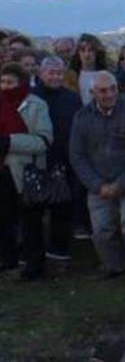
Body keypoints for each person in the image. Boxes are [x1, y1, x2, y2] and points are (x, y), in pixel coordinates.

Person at [69, 71, 125, 281]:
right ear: (92, 92)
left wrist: (122, 184)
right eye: (103, 90)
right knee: (101, 229)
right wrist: (98, 185)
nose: (109, 94)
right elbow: (77, 156)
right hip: (99, 184)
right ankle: (114, 266)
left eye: (113, 88)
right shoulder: (82, 118)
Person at [0, 63, 53, 279]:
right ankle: (8, 259)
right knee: (3, 220)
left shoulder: (36, 105)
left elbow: (44, 140)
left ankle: (34, 266)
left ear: (21, 83)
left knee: (30, 222)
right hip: (2, 171)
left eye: (10, 82)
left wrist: (9, 142)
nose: (5, 86)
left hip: (26, 173)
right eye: (2, 82)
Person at [32, 56, 83, 261]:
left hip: (66, 161)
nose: (55, 76)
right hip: (38, 161)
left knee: (63, 209)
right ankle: (33, 254)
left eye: (59, 72)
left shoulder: (72, 98)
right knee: (34, 210)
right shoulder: (31, 97)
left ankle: (59, 254)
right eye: (51, 72)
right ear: (41, 74)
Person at [67, 33, 109, 106]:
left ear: (97, 53)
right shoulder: (71, 75)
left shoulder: (105, 76)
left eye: (90, 50)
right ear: (78, 53)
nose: (87, 54)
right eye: (83, 50)